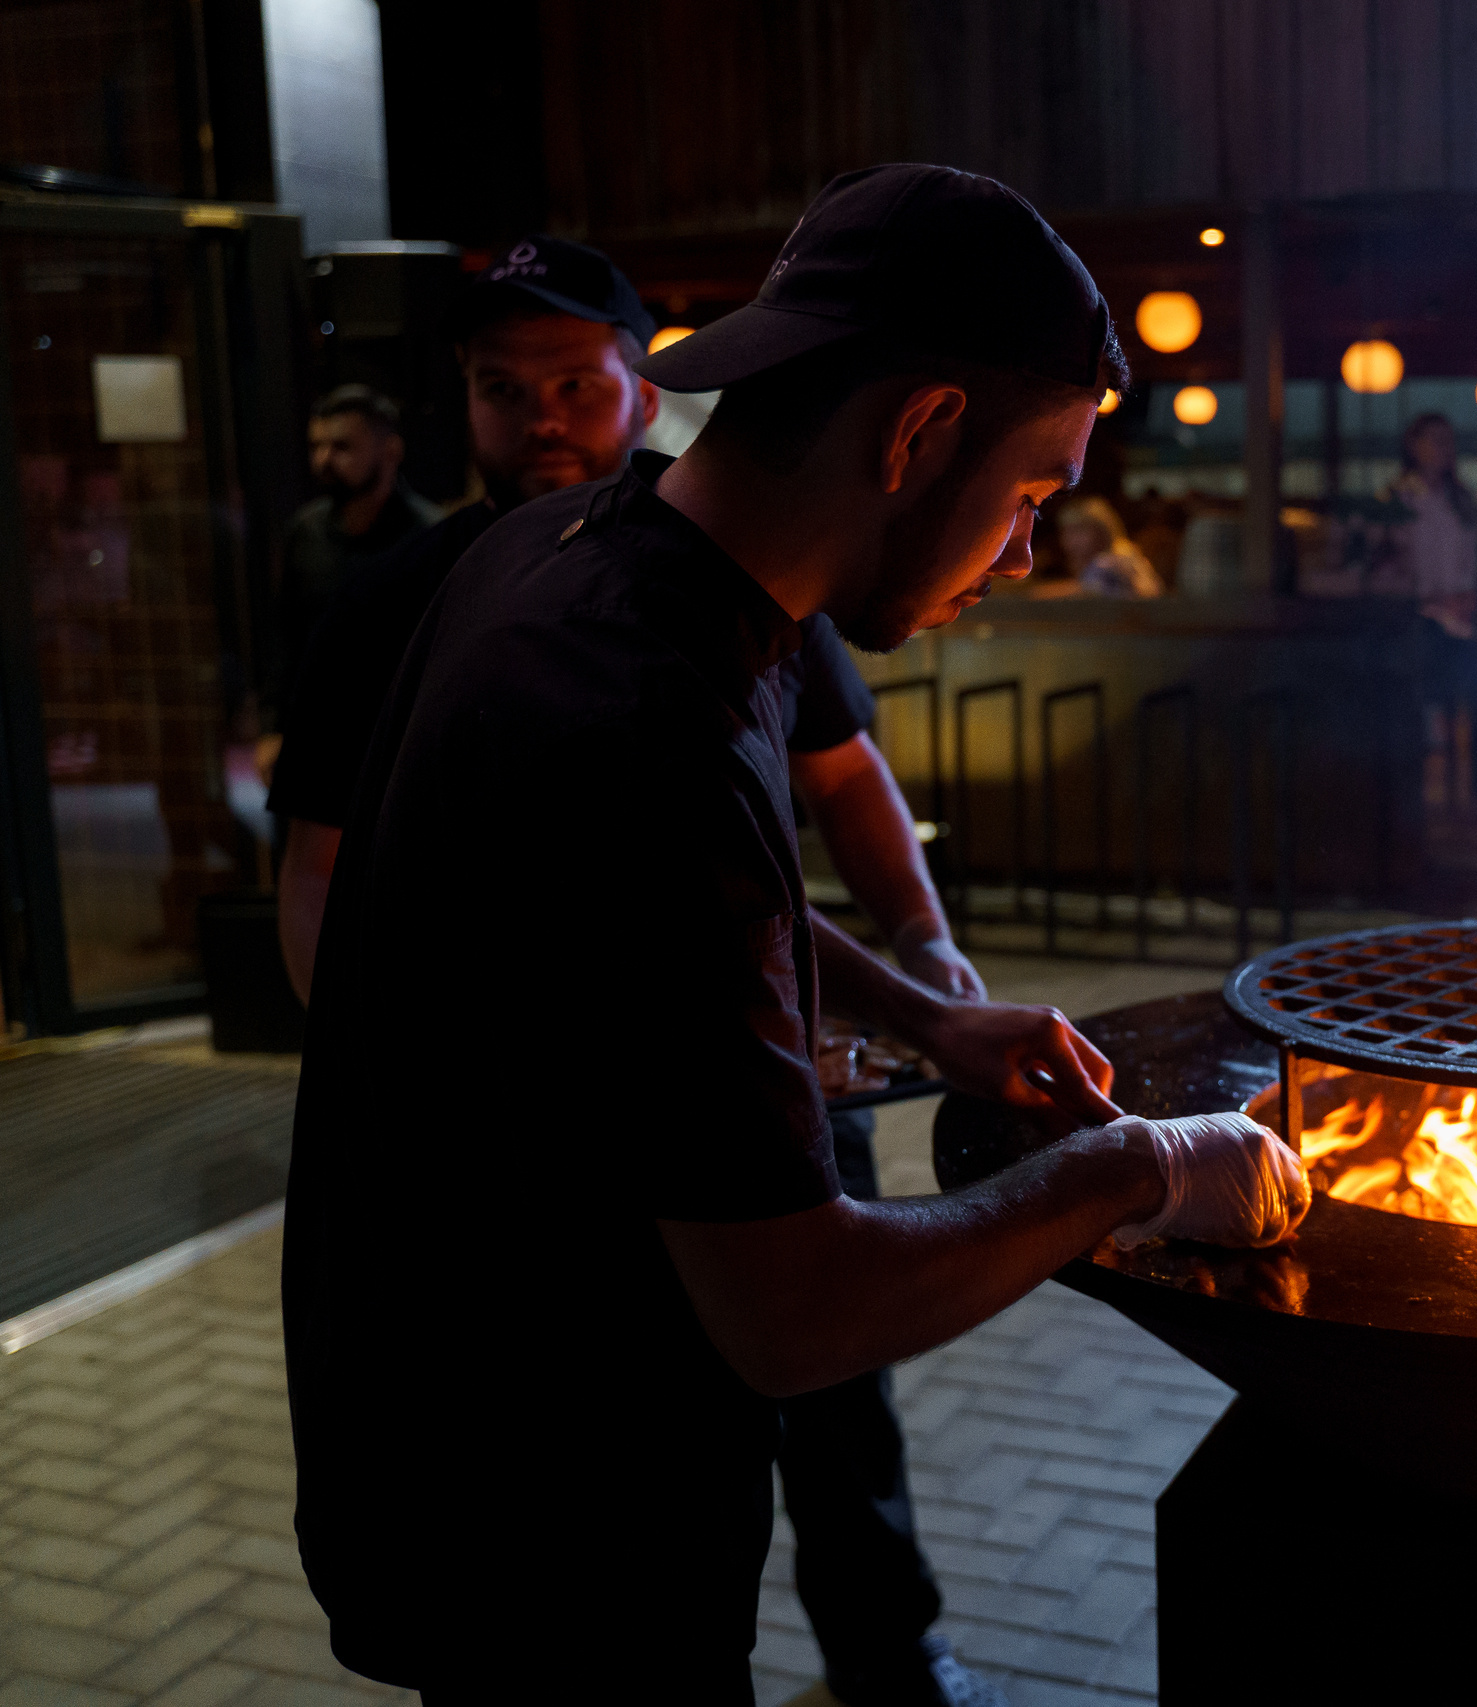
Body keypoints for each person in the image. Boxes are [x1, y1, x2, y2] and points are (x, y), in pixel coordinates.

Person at [283, 164, 1309, 1700]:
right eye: (1030, 495)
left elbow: (686, 911)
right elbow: (795, 1310)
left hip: (451, 1423)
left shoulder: (586, 557)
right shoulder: (641, 709)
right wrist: (1141, 1168)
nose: (1025, 553)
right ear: (918, 431)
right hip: (548, 1498)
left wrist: (930, 1015)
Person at [267, 236, 998, 1702]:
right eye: (499, 388)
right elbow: (336, 892)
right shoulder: (536, 616)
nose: (541, 416)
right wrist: (1140, 1169)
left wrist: (926, 986)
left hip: (712, 1119)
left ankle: (888, 1639)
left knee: (829, 1420)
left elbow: (817, 818)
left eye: (571, 382)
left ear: (636, 380)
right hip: (541, 1290)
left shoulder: (705, 580)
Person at [268, 386, 440, 740]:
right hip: (321, 728)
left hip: (401, 731)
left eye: (342, 447)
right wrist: (273, 728)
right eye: (316, 446)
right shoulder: (305, 532)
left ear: (390, 451)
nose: (323, 460)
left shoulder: (431, 537)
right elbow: (288, 638)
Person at [1382, 413, 1477, 807]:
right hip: (1419, 617)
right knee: (1421, 679)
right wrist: (1428, 599)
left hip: (1461, 616)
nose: (1442, 448)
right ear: (1413, 446)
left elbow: (1476, 558)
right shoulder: (1399, 498)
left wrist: (1468, 596)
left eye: (1447, 440)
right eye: (1432, 439)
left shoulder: (1463, 499)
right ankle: (1414, 794)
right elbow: (1393, 565)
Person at [1051, 495, 1162, 596]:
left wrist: (1038, 594)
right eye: (1066, 531)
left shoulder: (1108, 563)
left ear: (1102, 530)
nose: (1070, 540)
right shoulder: (1125, 553)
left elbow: (1086, 592)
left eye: (1079, 530)